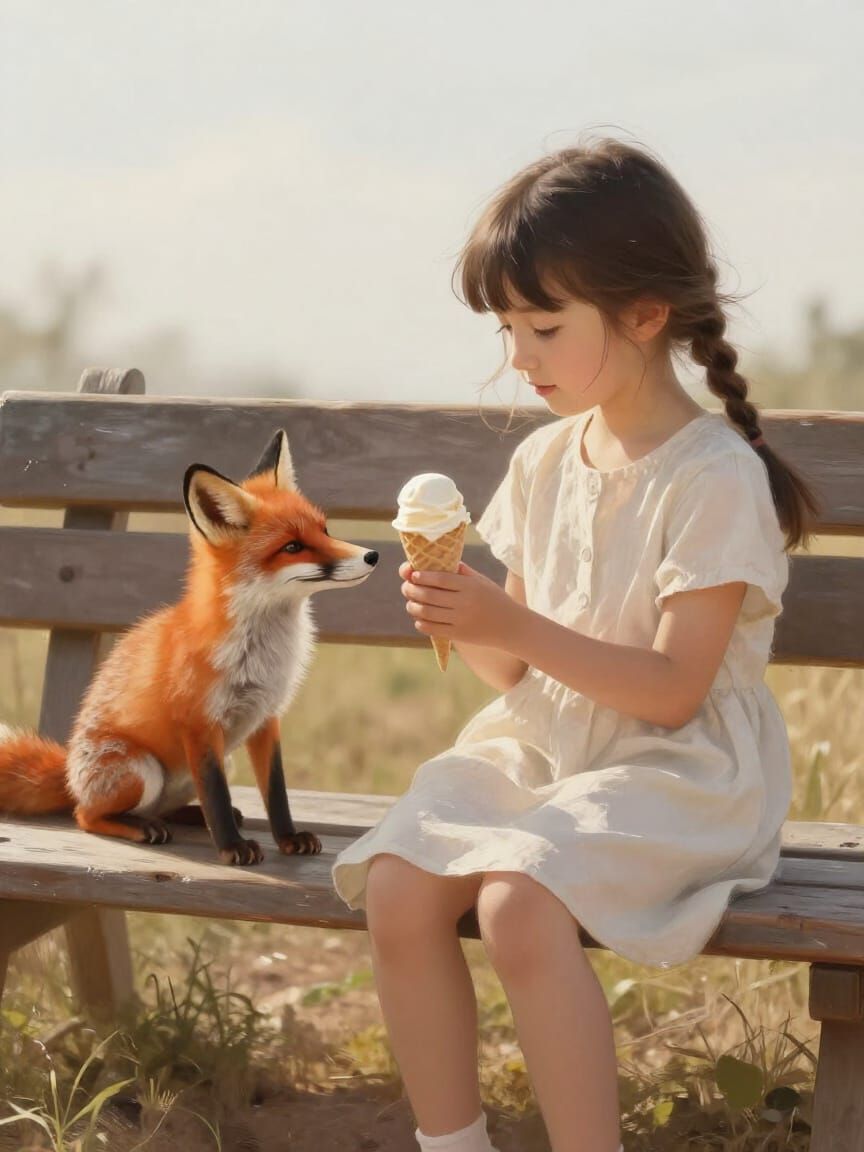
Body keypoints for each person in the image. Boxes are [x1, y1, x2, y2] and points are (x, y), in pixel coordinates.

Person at [331, 134, 822, 1152]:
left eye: (545, 327)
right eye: (508, 327)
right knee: (397, 884)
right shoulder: (546, 459)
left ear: (644, 315)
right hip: (550, 749)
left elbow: (676, 690)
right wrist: (466, 619)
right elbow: (515, 670)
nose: (520, 355)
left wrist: (511, 622)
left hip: (681, 770)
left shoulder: (712, 477)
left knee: (519, 901)